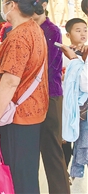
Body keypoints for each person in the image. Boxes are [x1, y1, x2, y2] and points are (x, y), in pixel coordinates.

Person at [0, 0, 49, 194]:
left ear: (12, 5)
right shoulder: (34, 29)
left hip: (16, 116)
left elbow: (10, 81)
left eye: (4, 2)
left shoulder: (19, 37)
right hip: (32, 113)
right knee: (26, 176)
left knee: (16, 178)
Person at [31, 0, 70, 193]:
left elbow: (48, 67)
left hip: (50, 95)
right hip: (28, 99)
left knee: (52, 151)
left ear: (44, 5)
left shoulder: (52, 31)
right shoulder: (24, 28)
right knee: (29, 153)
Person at [61, 18, 88, 180]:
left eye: (85, 30)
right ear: (68, 34)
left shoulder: (85, 52)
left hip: (83, 107)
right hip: (67, 104)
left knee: (81, 139)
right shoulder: (64, 53)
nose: (83, 33)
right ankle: (65, 175)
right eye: (78, 30)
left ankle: (74, 172)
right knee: (65, 140)